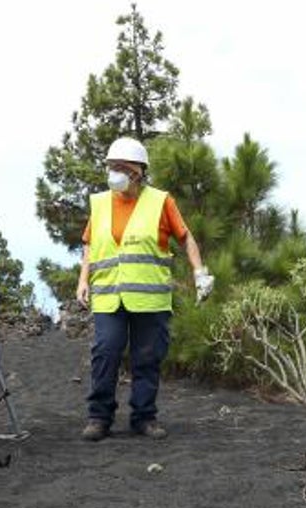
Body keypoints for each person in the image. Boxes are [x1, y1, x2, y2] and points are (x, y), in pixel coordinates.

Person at [75, 136, 209, 441]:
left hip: (150, 298)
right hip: (109, 296)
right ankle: (99, 417)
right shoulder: (99, 203)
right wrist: (83, 279)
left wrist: (200, 272)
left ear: (139, 171)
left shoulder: (161, 201)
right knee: (105, 353)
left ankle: (144, 417)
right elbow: (90, 244)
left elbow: (185, 237)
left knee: (147, 357)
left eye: (122, 166)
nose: (116, 172)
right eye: (112, 166)